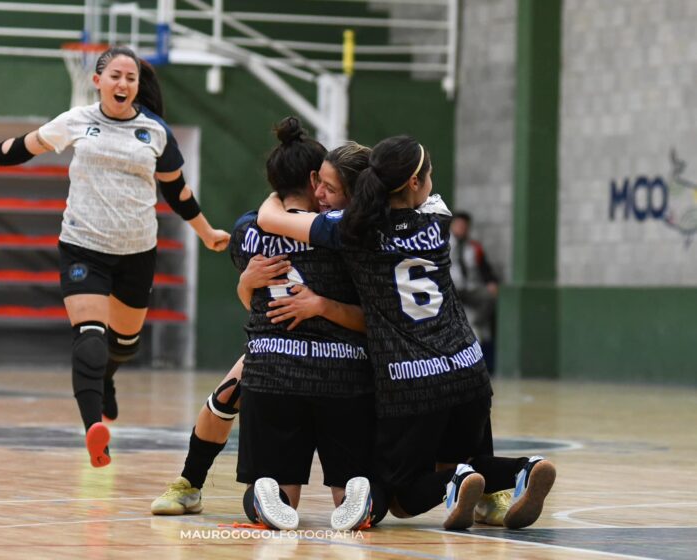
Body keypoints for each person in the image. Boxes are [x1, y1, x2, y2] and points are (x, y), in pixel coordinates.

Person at [0, 46, 230, 469]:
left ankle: (108, 381)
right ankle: (94, 428)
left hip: (137, 252)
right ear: (97, 80)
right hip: (83, 246)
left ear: (137, 86)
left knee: (124, 345)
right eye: (115, 75)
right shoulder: (76, 120)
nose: (123, 84)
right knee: (90, 339)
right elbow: (24, 147)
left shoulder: (154, 132)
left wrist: (206, 232)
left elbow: (178, 191)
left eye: (130, 78)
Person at [257, 135, 556, 530]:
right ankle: (522, 469)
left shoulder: (351, 229)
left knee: (399, 496)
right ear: (414, 183)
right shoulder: (438, 214)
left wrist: (277, 196)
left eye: (329, 188)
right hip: (468, 367)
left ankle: (457, 483)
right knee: (468, 457)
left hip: (412, 379)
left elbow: (268, 219)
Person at [150, 139, 376, 528]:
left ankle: (195, 481)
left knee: (224, 399)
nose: (322, 192)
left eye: (331, 186)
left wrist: (245, 281)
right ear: (310, 179)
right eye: (320, 183)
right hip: (321, 349)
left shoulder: (251, 228)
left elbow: (260, 293)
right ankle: (190, 482)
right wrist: (247, 284)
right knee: (229, 393)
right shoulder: (342, 228)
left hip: (283, 349)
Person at [449, 211, 499, 372]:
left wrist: (490, 282)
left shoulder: (473, 247)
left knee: (488, 297)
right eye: (459, 225)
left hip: (469, 288)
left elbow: (484, 267)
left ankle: (476, 324)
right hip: (450, 288)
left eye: (465, 226)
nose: (462, 229)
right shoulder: (443, 243)